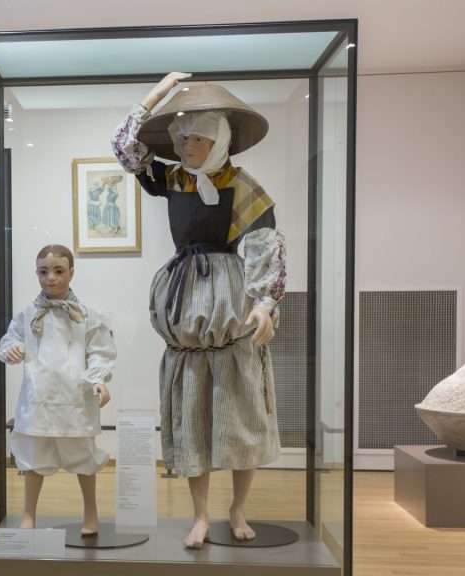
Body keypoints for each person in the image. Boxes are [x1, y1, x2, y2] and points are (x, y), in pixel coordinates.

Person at [112, 72, 286, 548]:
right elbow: (125, 146)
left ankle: (238, 508)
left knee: (241, 411)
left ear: (219, 140)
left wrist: (266, 304)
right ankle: (201, 515)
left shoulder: (247, 188)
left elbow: (266, 250)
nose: (187, 146)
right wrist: (155, 96)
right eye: (182, 137)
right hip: (187, 298)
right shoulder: (172, 178)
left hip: (231, 300)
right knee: (193, 415)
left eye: (198, 138)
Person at [0, 244, 116, 536]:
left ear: (71, 273)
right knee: (34, 459)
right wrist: (11, 349)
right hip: (39, 397)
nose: (51, 277)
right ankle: (28, 514)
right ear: (36, 273)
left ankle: (91, 512)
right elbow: (8, 340)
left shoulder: (88, 315)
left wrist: (99, 379)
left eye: (58, 271)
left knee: (84, 459)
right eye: (43, 271)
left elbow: (100, 351)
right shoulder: (27, 314)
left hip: (76, 397)